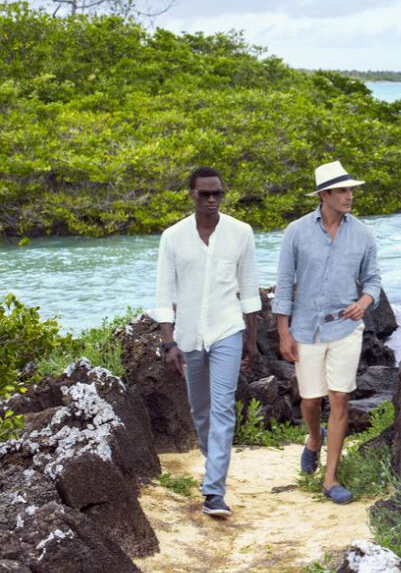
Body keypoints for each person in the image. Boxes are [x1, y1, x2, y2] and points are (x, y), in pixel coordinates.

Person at [150, 167, 260, 518]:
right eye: (204, 194)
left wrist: (251, 340)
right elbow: (164, 294)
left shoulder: (241, 233)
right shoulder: (173, 237)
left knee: (223, 406)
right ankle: (214, 466)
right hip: (188, 336)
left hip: (228, 329)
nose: (212, 200)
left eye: (218, 194)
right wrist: (169, 343)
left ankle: (214, 491)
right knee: (200, 411)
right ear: (191, 195)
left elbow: (250, 290)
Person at [272, 160, 382, 505]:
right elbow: (284, 285)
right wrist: (283, 333)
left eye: (351, 190)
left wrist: (364, 301)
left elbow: (374, 281)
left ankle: (330, 478)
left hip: (347, 329)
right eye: (343, 190)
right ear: (325, 195)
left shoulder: (363, 234)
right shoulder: (296, 232)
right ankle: (313, 440)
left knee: (339, 398)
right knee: (309, 400)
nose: (350, 196)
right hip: (305, 329)